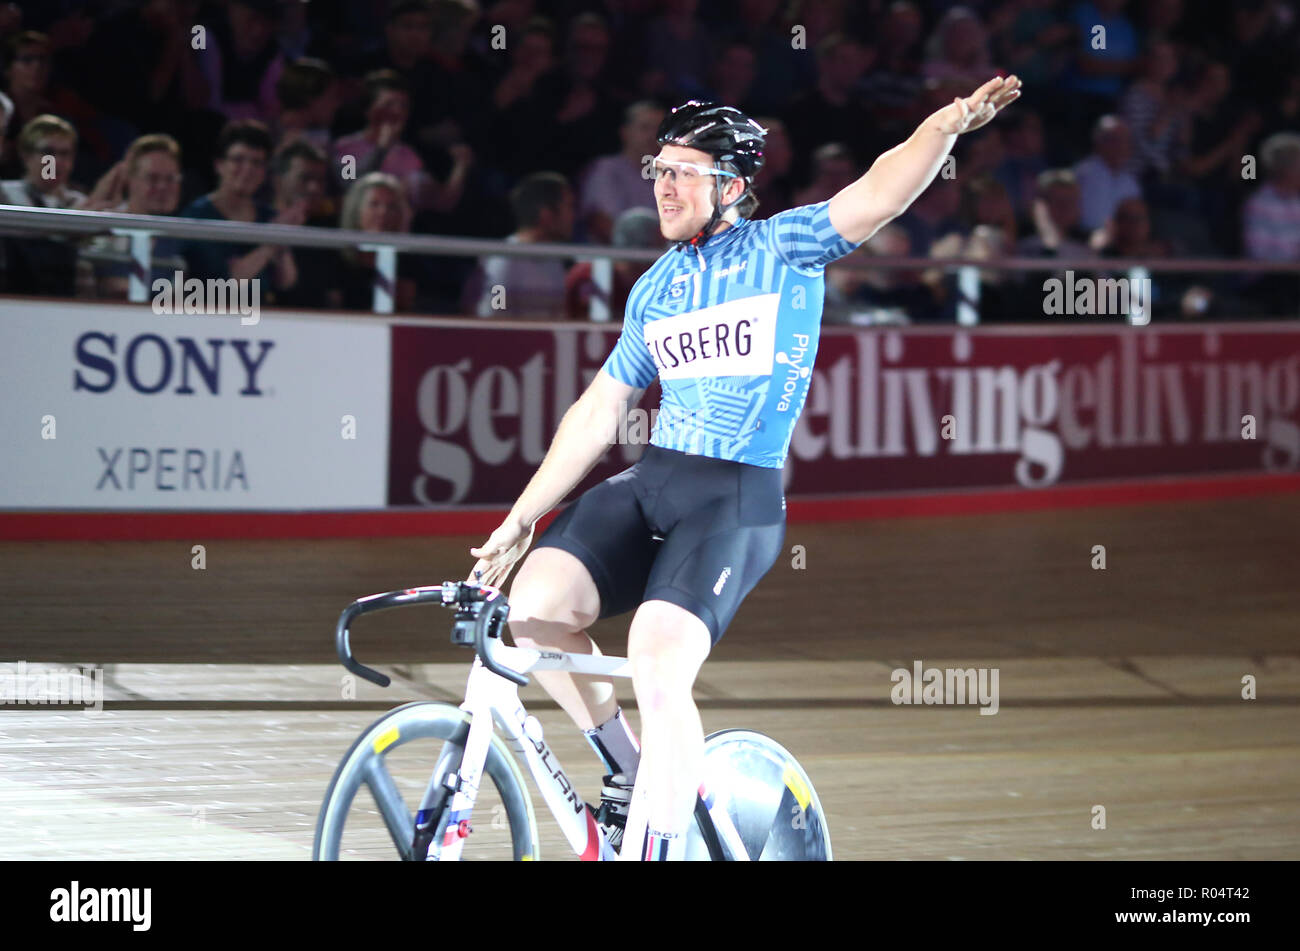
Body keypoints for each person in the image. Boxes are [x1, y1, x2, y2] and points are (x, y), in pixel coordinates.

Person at [467, 77, 1022, 861]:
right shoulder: (655, 288)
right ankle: (633, 770)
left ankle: (657, 845)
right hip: (655, 478)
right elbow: (596, 412)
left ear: (731, 186)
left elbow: (878, 195)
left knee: (659, 663)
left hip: (733, 498)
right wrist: (519, 518)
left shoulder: (783, 247)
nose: (663, 187)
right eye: (657, 171)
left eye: (682, 172)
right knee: (534, 610)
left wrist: (940, 130)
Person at [178, 119, 299, 299]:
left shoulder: (268, 217)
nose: (247, 169)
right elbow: (225, 284)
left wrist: (282, 240)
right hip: (209, 318)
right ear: (219, 165)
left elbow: (286, 281)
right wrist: (271, 243)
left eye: (257, 162)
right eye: (238, 159)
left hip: (262, 318)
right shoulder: (197, 216)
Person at [469, 171, 575, 319]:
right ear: (546, 214)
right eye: (569, 206)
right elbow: (493, 320)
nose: (573, 216)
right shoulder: (503, 260)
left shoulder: (554, 259)